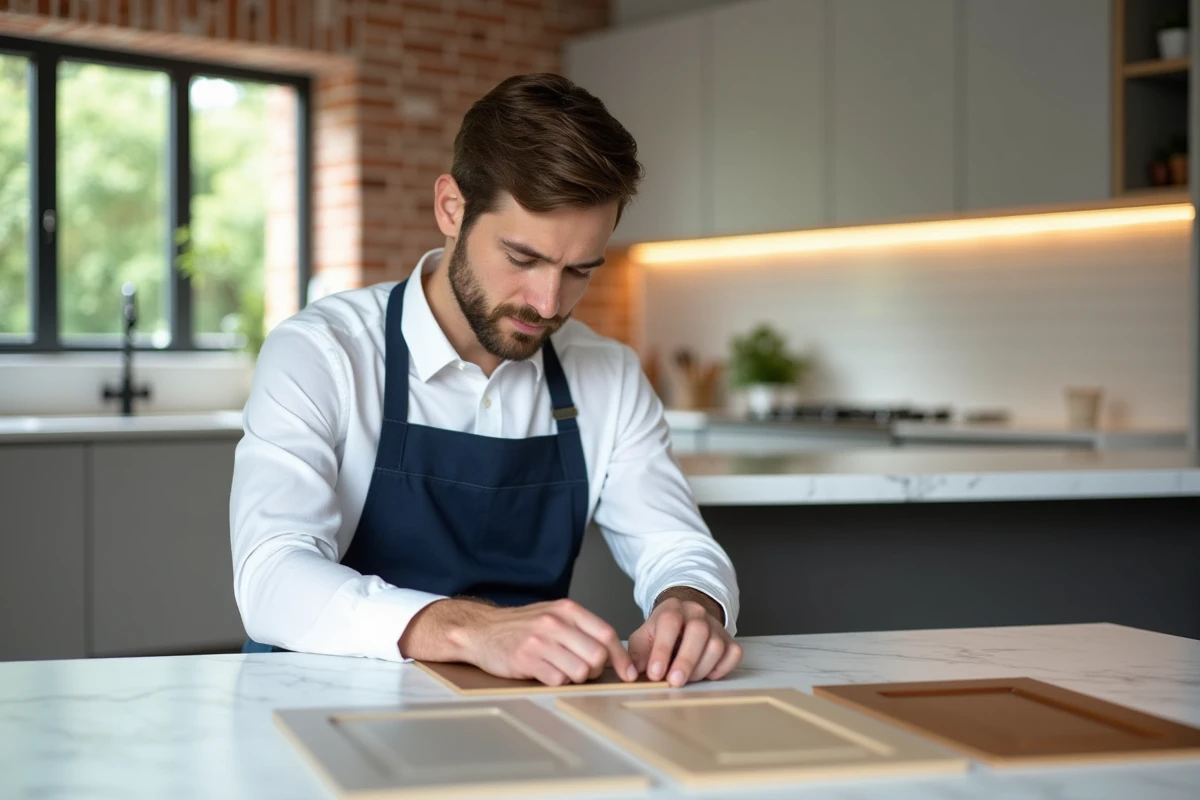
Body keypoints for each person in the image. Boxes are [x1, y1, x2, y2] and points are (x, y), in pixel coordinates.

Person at [229, 73, 741, 688]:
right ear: (452, 208)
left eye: (579, 270)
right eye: (523, 259)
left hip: (518, 715)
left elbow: (676, 545)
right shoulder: (322, 352)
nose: (548, 302)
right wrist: (469, 629)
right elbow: (272, 576)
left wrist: (692, 603)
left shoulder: (607, 374)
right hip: (320, 711)